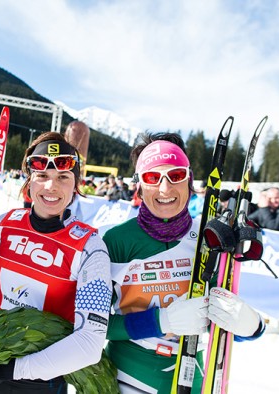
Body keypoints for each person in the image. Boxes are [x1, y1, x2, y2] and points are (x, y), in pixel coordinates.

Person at [103, 132, 266, 393]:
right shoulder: (115, 240)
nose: (165, 189)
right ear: (139, 185)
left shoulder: (211, 238)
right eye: (153, 178)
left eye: (176, 175)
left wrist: (251, 327)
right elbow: (93, 325)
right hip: (125, 375)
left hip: (192, 377)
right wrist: (160, 322)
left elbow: (221, 313)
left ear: (189, 181)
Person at [0, 132, 112, 393]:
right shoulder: (3, 225)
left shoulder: (90, 248)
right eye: (42, 177)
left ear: (75, 184)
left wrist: (16, 370)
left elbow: (90, 344)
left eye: (62, 177)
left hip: (44, 378)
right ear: (29, 181)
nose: (51, 187)